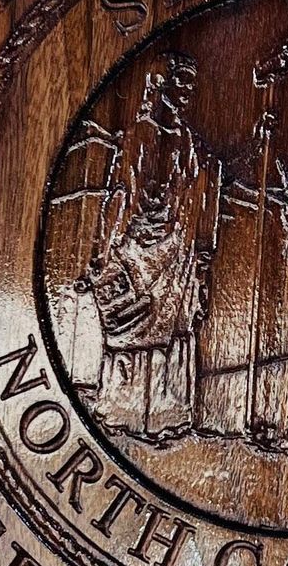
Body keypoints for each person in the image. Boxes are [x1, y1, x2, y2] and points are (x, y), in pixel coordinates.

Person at [87, 53, 217, 440]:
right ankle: (121, 412)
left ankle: (166, 415)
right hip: (140, 251)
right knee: (130, 327)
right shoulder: (141, 133)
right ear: (160, 85)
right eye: (180, 82)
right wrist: (103, 251)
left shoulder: (187, 139)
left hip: (175, 254)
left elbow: (194, 195)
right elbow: (122, 195)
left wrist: (200, 253)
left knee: (172, 332)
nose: (186, 92)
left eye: (190, 85)